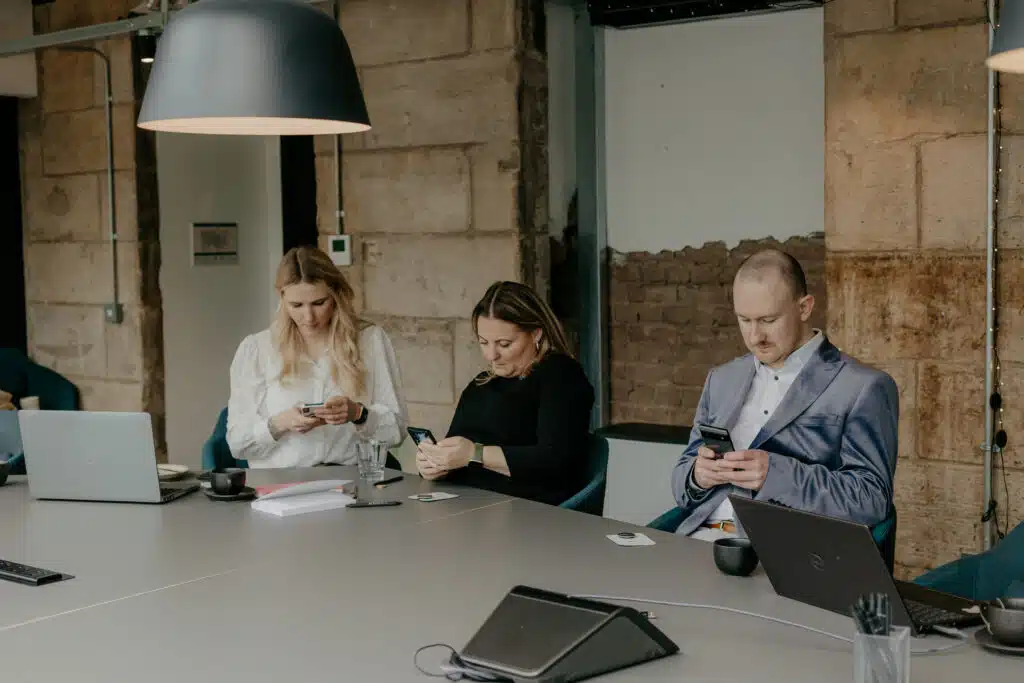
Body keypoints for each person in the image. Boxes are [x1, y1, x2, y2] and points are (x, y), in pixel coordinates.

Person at [671, 249, 899, 540]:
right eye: (744, 320)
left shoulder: (863, 387)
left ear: (804, 308)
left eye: (768, 320)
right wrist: (698, 476)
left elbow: (871, 499)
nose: (755, 336)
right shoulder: (721, 379)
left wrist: (775, 475)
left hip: (787, 556)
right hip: (695, 540)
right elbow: (681, 483)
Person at [415, 281, 595, 505]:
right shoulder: (481, 384)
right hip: (465, 506)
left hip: (530, 514)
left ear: (536, 334)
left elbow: (555, 460)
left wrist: (475, 454)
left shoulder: (560, 375)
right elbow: (456, 451)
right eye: (483, 342)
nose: (491, 355)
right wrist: (437, 465)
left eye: (504, 343)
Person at [227, 246, 408, 468]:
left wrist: (358, 414)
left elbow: (397, 431)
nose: (308, 317)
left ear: (336, 296)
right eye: (296, 305)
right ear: (282, 298)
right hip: (282, 486)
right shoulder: (256, 349)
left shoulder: (369, 340)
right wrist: (280, 423)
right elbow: (237, 444)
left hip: (351, 480)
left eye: (319, 303)